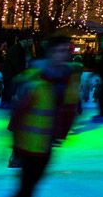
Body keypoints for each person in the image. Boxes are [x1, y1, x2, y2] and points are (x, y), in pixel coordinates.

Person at [9, 34, 81, 196]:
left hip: (47, 143)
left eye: (66, 50)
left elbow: (69, 108)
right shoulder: (36, 77)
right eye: (59, 50)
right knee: (26, 188)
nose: (64, 54)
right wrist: (15, 147)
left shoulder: (68, 77)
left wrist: (61, 132)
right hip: (29, 144)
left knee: (30, 186)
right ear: (50, 53)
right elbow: (18, 112)